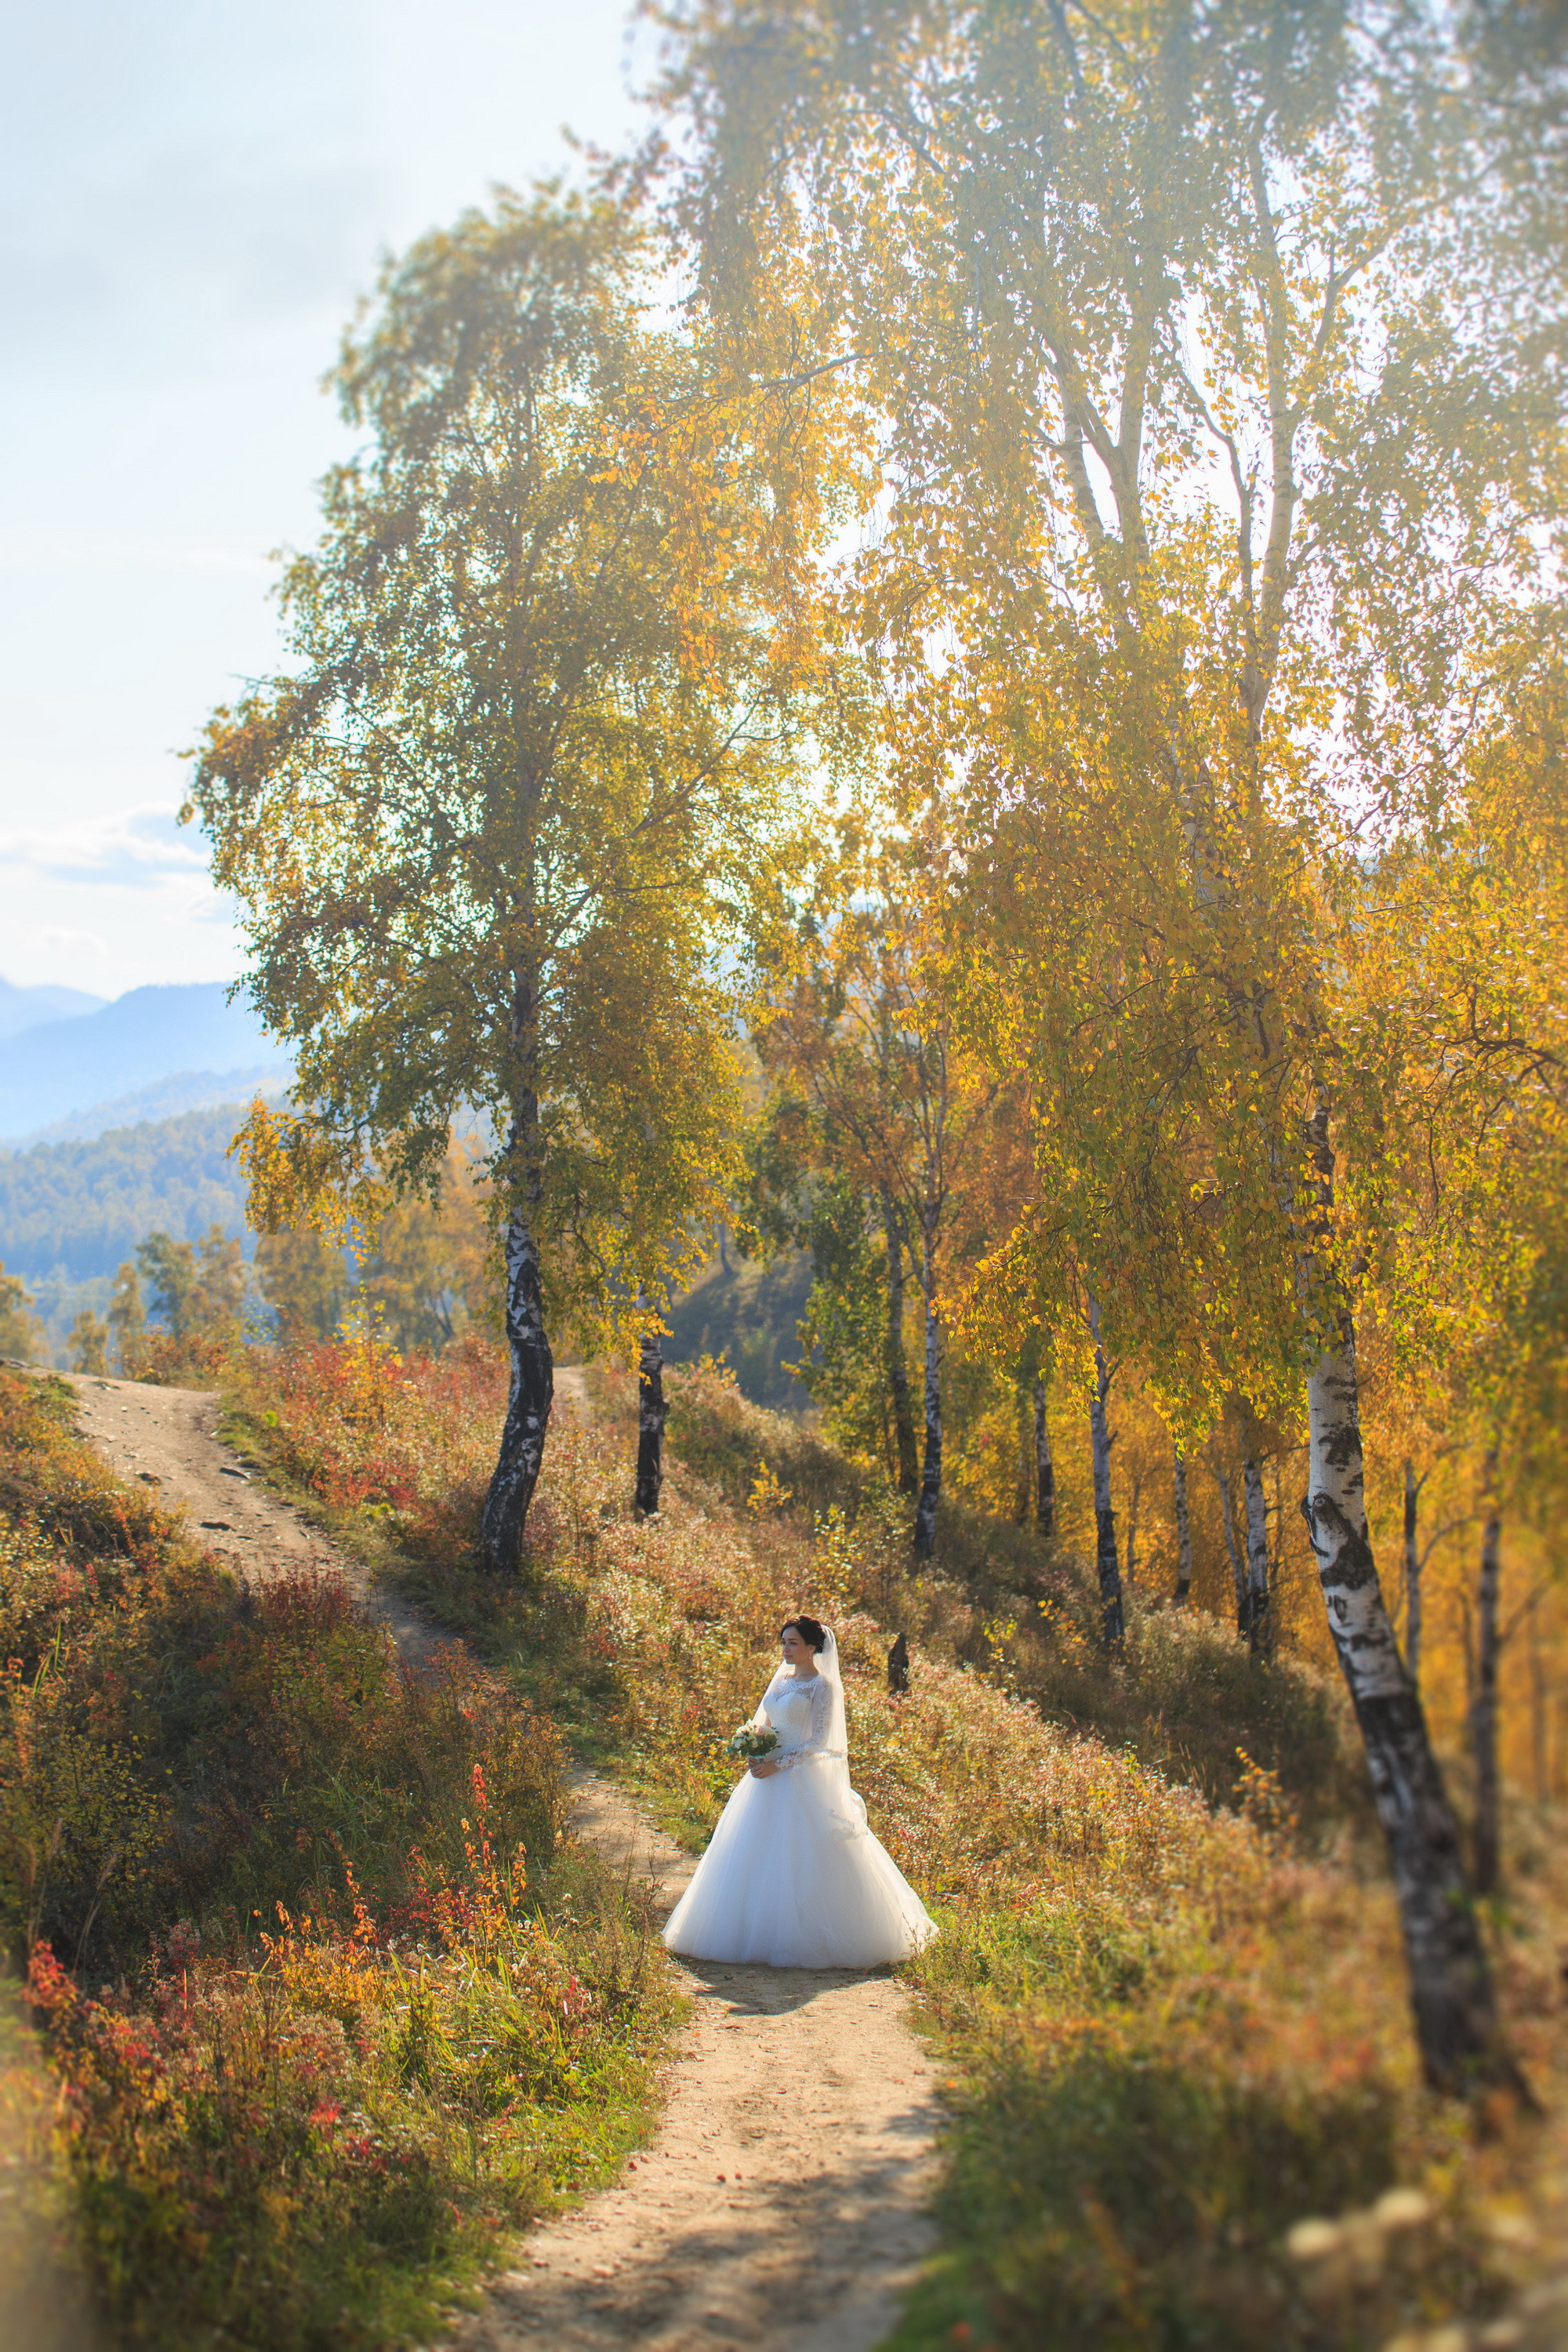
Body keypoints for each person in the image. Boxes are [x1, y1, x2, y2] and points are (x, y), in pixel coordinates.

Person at [662, 1614, 938, 1969]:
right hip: (764, 1775)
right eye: (784, 1643)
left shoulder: (823, 1686)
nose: (787, 1649)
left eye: (793, 1643)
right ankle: (747, 1931)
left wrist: (779, 1764)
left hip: (799, 1778)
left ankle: (817, 1937)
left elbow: (819, 1742)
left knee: (803, 1855)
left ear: (812, 1648)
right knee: (752, 1852)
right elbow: (763, 1723)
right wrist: (755, 1749)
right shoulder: (780, 1680)